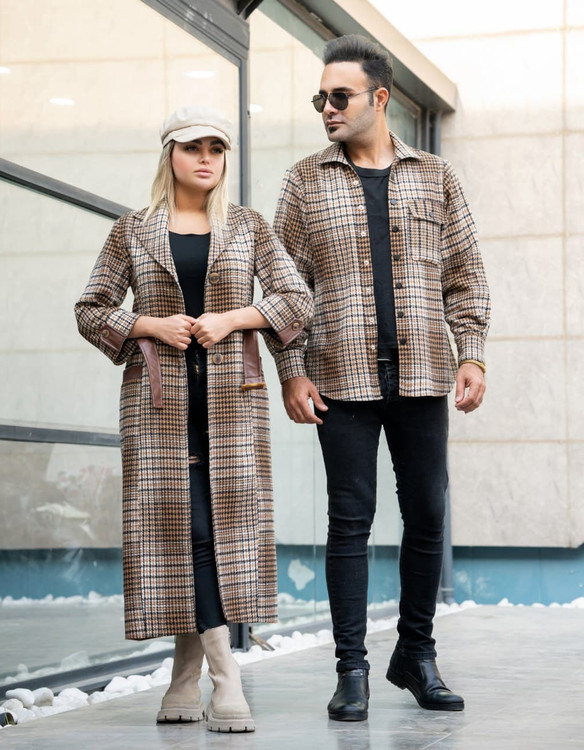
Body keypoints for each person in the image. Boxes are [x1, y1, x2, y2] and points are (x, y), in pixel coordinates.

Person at [75, 106, 312, 733]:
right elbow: (91, 308)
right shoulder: (132, 231)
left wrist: (232, 318)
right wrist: (148, 325)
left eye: (216, 148)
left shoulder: (248, 226)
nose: (205, 158)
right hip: (158, 410)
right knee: (187, 531)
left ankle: (187, 679)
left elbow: (297, 299)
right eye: (191, 147)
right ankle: (224, 678)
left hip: (233, 405)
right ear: (169, 155)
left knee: (209, 533)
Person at [273, 35, 490, 720]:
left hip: (423, 374)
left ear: (380, 97)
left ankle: (416, 655)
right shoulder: (304, 182)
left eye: (340, 96)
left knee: (428, 514)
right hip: (340, 381)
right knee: (350, 521)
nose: (328, 108)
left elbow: (465, 273)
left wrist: (473, 353)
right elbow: (284, 288)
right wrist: (291, 371)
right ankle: (352, 670)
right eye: (320, 98)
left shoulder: (436, 176)